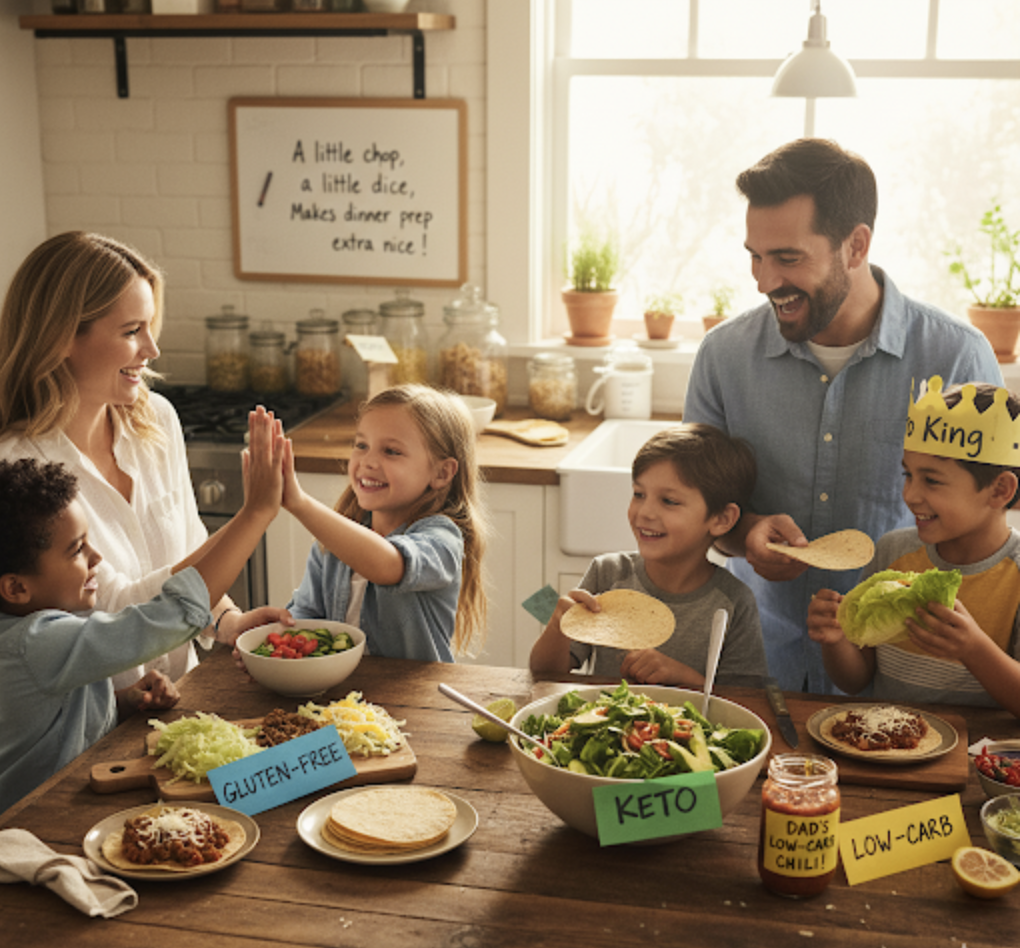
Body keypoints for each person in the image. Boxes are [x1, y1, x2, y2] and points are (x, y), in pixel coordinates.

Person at [682, 138, 1003, 694]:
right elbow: (695, 505)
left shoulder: (956, 357)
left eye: (787, 258)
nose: (763, 281)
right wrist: (749, 531)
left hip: (904, 678)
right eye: (755, 256)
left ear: (855, 246)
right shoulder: (722, 356)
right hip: (758, 665)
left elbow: (986, 516)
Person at [0, 232, 291, 691]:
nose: (152, 350)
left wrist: (227, 621)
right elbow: (121, 608)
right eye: (132, 331)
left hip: (179, 700)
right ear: (61, 338)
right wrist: (254, 514)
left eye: (149, 327)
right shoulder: (18, 467)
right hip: (97, 729)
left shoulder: (154, 419)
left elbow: (188, 548)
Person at [0, 408, 285, 811]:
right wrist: (255, 514)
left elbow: (54, 725)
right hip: (25, 825)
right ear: (15, 587)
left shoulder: (39, 636)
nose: (95, 556)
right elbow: (157, 621)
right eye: (76, 550)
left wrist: (121, 702)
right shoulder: (36, 641)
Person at [807, 378, 1020, 717]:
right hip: (883, 745)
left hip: (976, 760)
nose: (909, 495)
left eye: (931, 480)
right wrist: (836, 640)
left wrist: (974, 649)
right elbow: (855, 680)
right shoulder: (893, 552)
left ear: (1000, 491)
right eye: (908, 475)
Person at [529, 424, 768, 686]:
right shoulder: (607, 573)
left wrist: (682, 677)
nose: (644, 513)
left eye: (669, 501)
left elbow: (746, 701)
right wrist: (557, 627)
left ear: (721, 518)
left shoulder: (734, 602)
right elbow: (544, 674)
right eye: (639, 494)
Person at [281, 384, 488, 662]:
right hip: (340, 701)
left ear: (441, 472)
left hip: (416, 701)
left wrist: (300, 503)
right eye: (361, 445)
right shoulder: (332, 544)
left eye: (391, 451)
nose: (368, 461)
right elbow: (305, 615)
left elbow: (389, 565)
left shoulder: (442, 538)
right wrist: (278, 644)